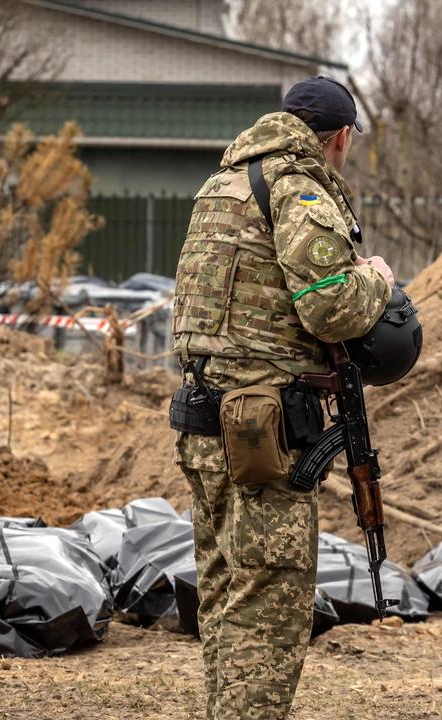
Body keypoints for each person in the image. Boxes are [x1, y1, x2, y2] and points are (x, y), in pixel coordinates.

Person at [171, 76, 393, 720]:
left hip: (204, 422)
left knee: (223, 595)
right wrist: (374, 280)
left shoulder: (222, 186)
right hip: (261, 435)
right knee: (268, 610)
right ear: (341, 137)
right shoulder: (296, 188)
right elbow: (331, 306)